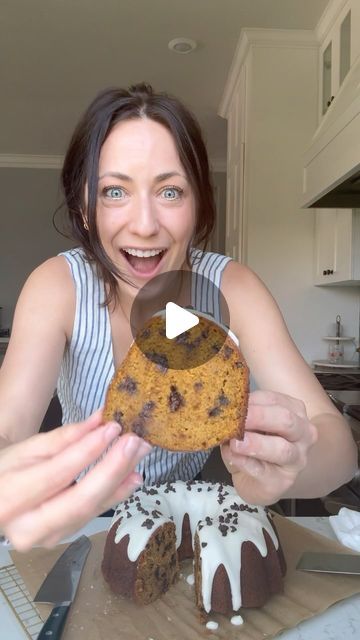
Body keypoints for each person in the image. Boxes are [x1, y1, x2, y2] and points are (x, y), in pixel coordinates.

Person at [0, 83, 357, 552]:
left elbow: (338, 445)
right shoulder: (58, 286)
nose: (145, 224)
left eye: (170, 191)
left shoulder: (233, 289)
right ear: (85, 210)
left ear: (199, 205)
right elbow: (8, 428)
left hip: (189, 519)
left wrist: (287, 470)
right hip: (82, 526)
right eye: (113, 191)